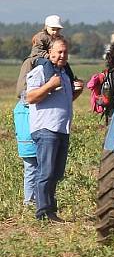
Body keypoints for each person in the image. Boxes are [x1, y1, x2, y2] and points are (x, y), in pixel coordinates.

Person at [25, 38, 84, 222]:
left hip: (61, 129)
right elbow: (30, 97)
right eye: (59, 52)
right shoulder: (41, 71)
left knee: (56, 173)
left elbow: (63, 101)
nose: (62, 55)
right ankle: (43, 212)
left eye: (65, 52)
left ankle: (50, 210)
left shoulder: (64, 74)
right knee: (47, 171)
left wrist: (77, 91)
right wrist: (50, 85)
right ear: (50, 53)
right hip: (46, 128)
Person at [15, 15, 77, 98]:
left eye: (57, 30)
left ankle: (72, 82)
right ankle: (50, 81)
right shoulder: (41, 37)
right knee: (47, 63)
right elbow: (37, 51)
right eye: (53, 29)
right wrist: (49, 56)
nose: (55, 32)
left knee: (66, 64)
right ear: (46, 27)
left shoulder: (59, 38)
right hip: (38, 57)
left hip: (52, 57)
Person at [13, 100, 37, 207]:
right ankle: (35, 200)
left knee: (29, 173)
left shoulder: (18, 107)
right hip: (34, 142)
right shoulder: (34, 107)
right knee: (40, 173)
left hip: (23, 144)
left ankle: (28, 200)